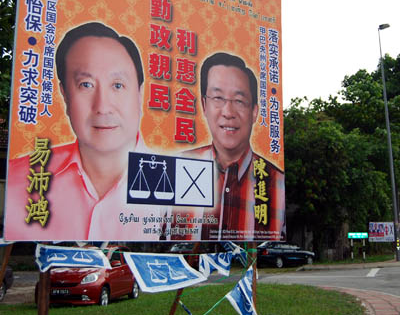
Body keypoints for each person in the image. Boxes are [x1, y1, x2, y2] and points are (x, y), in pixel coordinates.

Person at [5, 22, 161, 241]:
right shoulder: (20, 179)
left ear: (139, 94)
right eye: (86, 85)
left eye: (117, 85)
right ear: (65, 94)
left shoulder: (175, 182)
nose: (103, 106)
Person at [170, 52, 285, 241]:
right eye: (218, 98)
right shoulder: (176, 168)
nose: (228, 112)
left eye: (239, 101)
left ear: (254, 111)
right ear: (204, 105)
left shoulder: (277, 185)